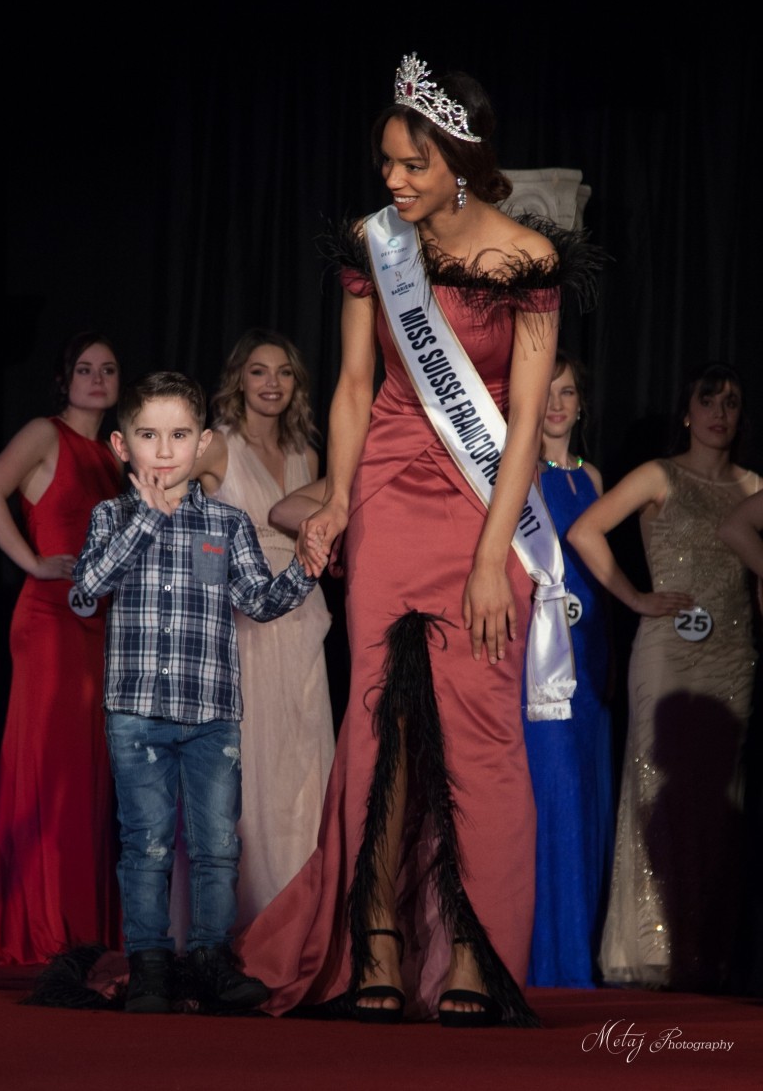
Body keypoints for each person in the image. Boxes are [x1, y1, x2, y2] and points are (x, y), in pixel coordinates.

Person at [236, 54, 594, 1026]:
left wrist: (489, 559)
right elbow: (355, 386)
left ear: (463, 164)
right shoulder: (375, 243)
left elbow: (524, 422)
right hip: (390, 488)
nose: (393, 179)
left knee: (479, 726)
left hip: (486, 504)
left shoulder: (527, 257)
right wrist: (336, 504)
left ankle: (474, 945)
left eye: (412, 164)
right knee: (380, 719)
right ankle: (377, 937)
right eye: (387, 162)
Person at [72, 371, 318, 1013]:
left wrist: (305, 568)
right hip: (137, 715)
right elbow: (85, 590)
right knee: (146, 844)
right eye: (149, 436)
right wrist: (144, 524)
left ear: (203, 442)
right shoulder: (111, 516)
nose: (164, 450)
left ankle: (211, 958)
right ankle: (150, 964)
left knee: (217, 847)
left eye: (180, 435)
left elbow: (257, 601)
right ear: (121, 445)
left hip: (212, 715)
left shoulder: (226, 523)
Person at [568, 363, 760, 990]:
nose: (719, 413)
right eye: (708, 400)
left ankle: (704, 952)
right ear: (686, 411)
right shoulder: (659, 474)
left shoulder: (754, 486)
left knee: (717, 800)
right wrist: (635, 598)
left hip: (733, 656)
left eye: (731, 403)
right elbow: (585, 530)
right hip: (667, 650)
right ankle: (649, 950)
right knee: (657, 788)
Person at [0, 333, 123, 964]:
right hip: (50, 620)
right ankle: (44, 923)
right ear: (63, 380)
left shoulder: (114, 455)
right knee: (54, 771)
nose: (97, 378)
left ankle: (81, 923)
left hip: (102, 624)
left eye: (108, 369)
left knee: (90, 776)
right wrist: (32, 561)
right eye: (84, 369)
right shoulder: (44, 433)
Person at [193, 330, 334, 927]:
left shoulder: (308, 454)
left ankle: (295, 918)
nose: (271, 383)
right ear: (239, 379)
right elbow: (171, 504)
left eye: (284, 372)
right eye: (258, 371)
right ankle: (243, 917)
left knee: (301, 760)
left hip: (301, 613)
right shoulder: (216, 446)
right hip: (242, 620)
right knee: (249, 762)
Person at [523, 351, 613, 987]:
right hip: (542, 659)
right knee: (551, 791)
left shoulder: (594, 476)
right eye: (547, 392)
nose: (556, 404)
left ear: (582, 405)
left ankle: (581, 950)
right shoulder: (518, 472)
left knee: (587, 791)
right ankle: (546, 957)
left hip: (593, 650)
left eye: (568, 392)